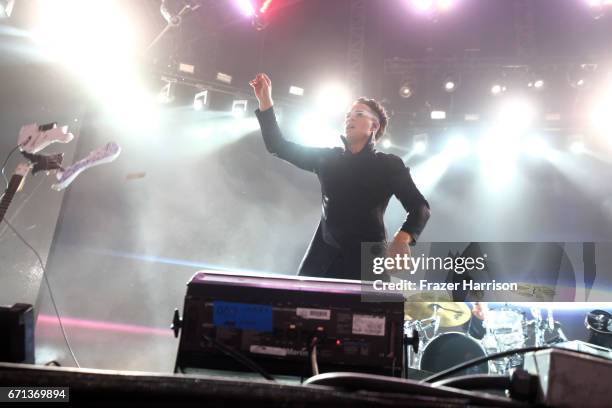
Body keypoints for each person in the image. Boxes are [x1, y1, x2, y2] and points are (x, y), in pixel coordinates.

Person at [250, 73, 431, 280]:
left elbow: (420, 208)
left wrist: (403, 238)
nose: (350, 118)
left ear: (374, 126)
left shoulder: (388, 164)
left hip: (368, 265)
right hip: (321, 262)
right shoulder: (328, 158)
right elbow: (278, 146)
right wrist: (265, 101)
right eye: (348, 115)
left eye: (359, 114)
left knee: (372, 312)